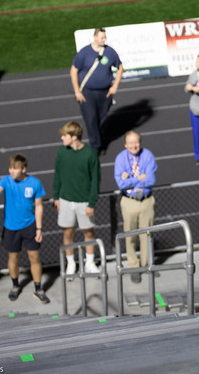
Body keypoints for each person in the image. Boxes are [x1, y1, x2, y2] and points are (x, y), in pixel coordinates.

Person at [0, 153, 49, 304]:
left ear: (23, 169)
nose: (11, 171)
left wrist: (39, 228)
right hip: (11, 228)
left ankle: (38, 289)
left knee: (34, 257)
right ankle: (15, 286)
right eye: (10, 168)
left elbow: (39, 206)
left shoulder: (35, 183)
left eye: (15, 168)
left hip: (30, 226)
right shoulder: (6, 181)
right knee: (13, 258)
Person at [53, 121, 101, 275]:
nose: (62, 138)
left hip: (85, 202)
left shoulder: (90, 154)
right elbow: (57, 175)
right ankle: (71, 264)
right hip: (65, 200)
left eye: (64, 135)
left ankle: (90, 263)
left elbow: (95, 180)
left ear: (74, 137)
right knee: (68, 233)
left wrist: (91, 203)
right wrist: (56, 197)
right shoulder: (62, 152)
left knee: (89, 233)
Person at [114, 131, 158, 283]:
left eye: (136, 142)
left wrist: (130, 180)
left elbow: (151, 179)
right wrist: (139, 177)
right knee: (130, 235)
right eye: (131, 143)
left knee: (147, 235)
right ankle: (134, 266)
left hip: (146, 200)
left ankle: (147, 265)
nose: (134, 146)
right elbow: (121, 184)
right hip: (129, 202)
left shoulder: (148, 156)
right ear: (125, 145)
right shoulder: (120, 159)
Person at [70, 27, 124, 152]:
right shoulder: (84, 53)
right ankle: (96, 146)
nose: (104, 40)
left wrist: (115, 86)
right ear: (95, 37)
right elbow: (73, 70)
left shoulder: (110, 52)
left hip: (105, 92)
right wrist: (77, 91)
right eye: (101, 37)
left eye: (105, 37)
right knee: (91, 119)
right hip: (87, 92)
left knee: (101, 119)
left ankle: (98, 140)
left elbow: (120, 67)